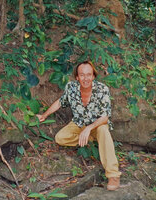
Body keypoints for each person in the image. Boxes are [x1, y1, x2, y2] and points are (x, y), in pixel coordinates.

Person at [37, 61, 121, 190]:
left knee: (103, 131)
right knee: (60, 138)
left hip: (97, 125)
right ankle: (89, 139)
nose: (85, 78)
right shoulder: (71, 87)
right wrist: (45, 115)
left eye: (89, 75)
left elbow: (105, 117)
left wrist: (88, 128)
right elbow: (60, 102)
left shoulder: (102, 89)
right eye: (82, 75)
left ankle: (113, 175)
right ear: (77, 77)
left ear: (93, 76)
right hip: (78, 123)